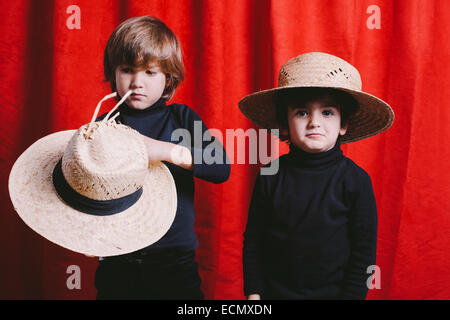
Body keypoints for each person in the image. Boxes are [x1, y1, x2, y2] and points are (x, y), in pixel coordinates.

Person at [93, 15, 230, 299]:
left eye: (150, 72)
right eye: (128, 69)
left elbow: (221, 167)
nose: (137, 82)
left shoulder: (181, 119)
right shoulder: (103, 126)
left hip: (173, 261)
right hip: (117, 260)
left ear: (169, 77)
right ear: (113, 72)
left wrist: (165, 151)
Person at [239, 52, 394, 299]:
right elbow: (254, 240)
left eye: (327, 112)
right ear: (285, 122)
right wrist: (254, 294)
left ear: (343, 124)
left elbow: (364, 254)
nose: (314, 122)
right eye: (301, 112)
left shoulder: (356, 181)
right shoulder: (270, 174)